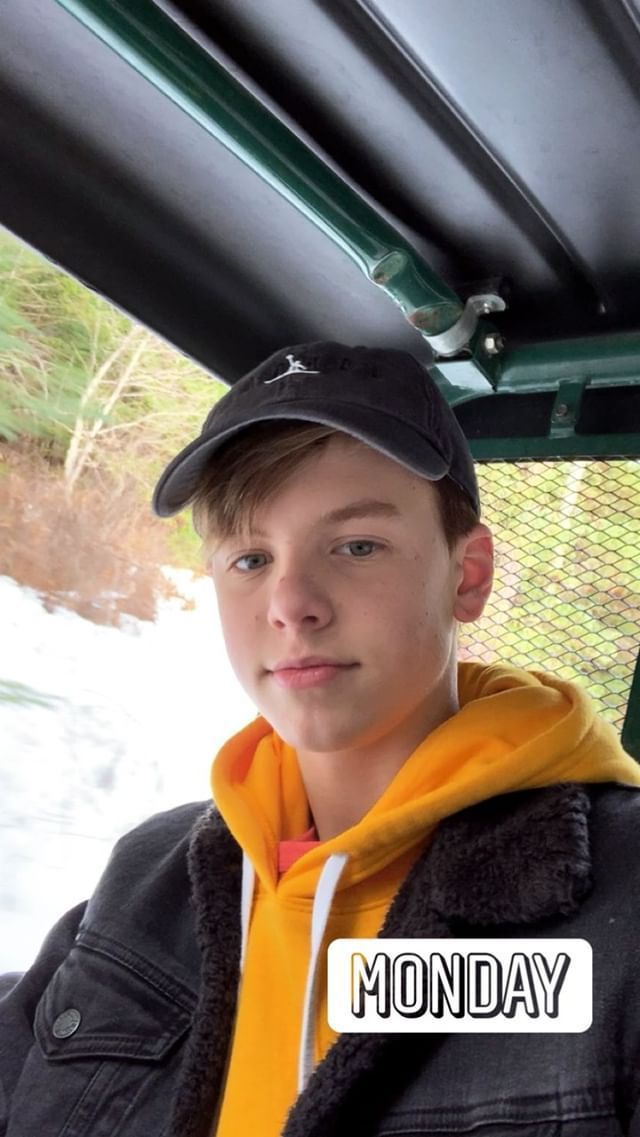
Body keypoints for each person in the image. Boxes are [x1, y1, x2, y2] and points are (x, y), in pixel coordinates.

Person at [2, 341, 640, 1137]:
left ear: (466, 576)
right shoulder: (146, 876)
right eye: (250, 557)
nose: (291, 602)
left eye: (357, 546)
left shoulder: (619, 900)